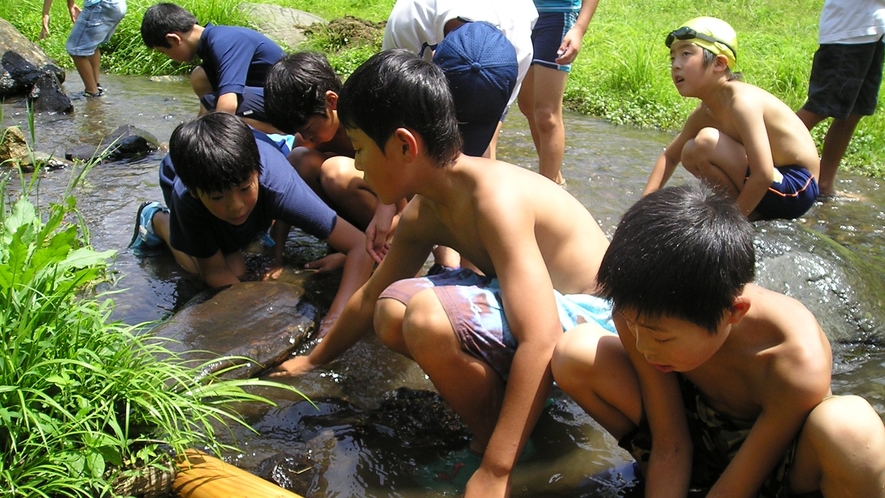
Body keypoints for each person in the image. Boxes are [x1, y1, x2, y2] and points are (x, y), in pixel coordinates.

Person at [269, 50, 614, 497]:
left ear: (404, 146)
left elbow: (542, 337)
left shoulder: (494, 201)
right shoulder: (427, 210)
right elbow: (371, 296)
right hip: (545, 318)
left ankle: (502, 447)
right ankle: (504, 416)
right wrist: (312, 361)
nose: (355, 165)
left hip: (593, 330)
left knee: (428, 316)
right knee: (393, 309)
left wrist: (496, 470)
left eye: (359, 149)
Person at [551, 182, 885, 497]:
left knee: (851, 429)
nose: (642, 347)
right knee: (575, 351)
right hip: (697, 435)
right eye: (633, 327)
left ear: (734, 312)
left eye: (661, 339)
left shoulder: (795, 358)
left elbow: (737, 488)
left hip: (776, 459)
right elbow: (670, 444)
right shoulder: (639, 314)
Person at [127, 112, 374, 336]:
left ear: (257, 173)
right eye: (218, 197)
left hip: (248, 182)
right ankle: (157, 220)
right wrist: (257, 307)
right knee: (205, 270)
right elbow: (214, 272)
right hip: (182, 184)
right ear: (195, 192)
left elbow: (359, 245)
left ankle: (229, 225)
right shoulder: (187, 196)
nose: (236, 206)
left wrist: (336, 317)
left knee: (239, 252)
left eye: (245, 189)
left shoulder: (278, 185)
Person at [644, 17, 821, 221]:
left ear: (719, 63)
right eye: (672, 58)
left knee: (706, 142)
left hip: (796, 187)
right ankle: (747, 211)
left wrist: (734, 225)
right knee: (689, 151)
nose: (676, 65)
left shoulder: (742, 103)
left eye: (686, 53)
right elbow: (670, 157)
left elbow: (762, 173)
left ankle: (734, 219)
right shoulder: (705, 112)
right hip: (772, 183)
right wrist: (643, 208)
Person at [263, 51, 405, 263]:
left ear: (331, 101)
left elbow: (406, 205)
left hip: (394, 222)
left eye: (308, 127)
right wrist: (275, 252)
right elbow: (288, 196)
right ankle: (346, 241)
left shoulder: (368, 124)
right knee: (298, 159)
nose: (305, 136)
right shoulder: (309, 139)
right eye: (298, 131)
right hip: (359, 227)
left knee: (334, 171)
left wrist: (361, 249)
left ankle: (382, 251)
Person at [382, 0, 537, 158]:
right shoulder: (408, 22)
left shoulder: (516, 53)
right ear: (434, 60)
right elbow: (394, 113)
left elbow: (492, 121)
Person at [140, 2, 284, 133]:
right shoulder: (211, 41)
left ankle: (283, 132)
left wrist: (204, 135)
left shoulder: (224, 41)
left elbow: (228, 105)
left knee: (214, 105)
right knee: (200, 76)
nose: (169, 58)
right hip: (269, 95)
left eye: (164, 52)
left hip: (290, 103)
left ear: (174, 39)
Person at [797, 0, 885, 198]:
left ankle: (824, 185)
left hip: (874, 28)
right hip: (849, 31)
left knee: (856, 110)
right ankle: (751, 162)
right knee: (820, 107)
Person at [517, 0, 599, 186]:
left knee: (547, 114)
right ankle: (557, 180)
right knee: (527, 105)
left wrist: (579, 28)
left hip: (557, 14)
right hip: (521, 14)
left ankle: (549, 193)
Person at [40, 0, 127, 97]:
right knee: (91, 45)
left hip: (99, 6)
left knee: (75, 49)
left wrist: (45, 14)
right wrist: (71, 5)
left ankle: (92, 93)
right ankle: (96, 86)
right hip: (116, 4)